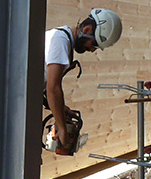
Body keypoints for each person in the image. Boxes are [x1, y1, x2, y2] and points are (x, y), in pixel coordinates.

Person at [43, 8, 122, 153]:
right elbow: (53, 88)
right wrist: (62, 128)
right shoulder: (60, 41)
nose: (92, 50)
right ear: (87, 29)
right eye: (94, 45)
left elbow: (42, 85)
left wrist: (60, 109)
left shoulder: (62, 39)